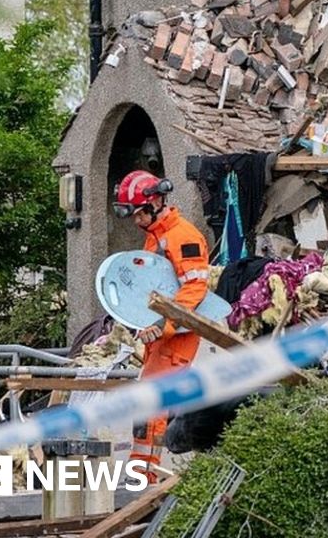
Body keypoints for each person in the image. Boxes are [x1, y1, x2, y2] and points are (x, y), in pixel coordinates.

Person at [112, 169, 209, 482]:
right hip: (161, 335)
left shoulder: (184, 237)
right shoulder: (155, 236)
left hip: (176, 337)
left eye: (139, 213)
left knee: (151, 407)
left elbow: (193, 290)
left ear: (155, 203)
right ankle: (143, 473)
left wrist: (165, 325)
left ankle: (144, 477)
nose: (135, 220)